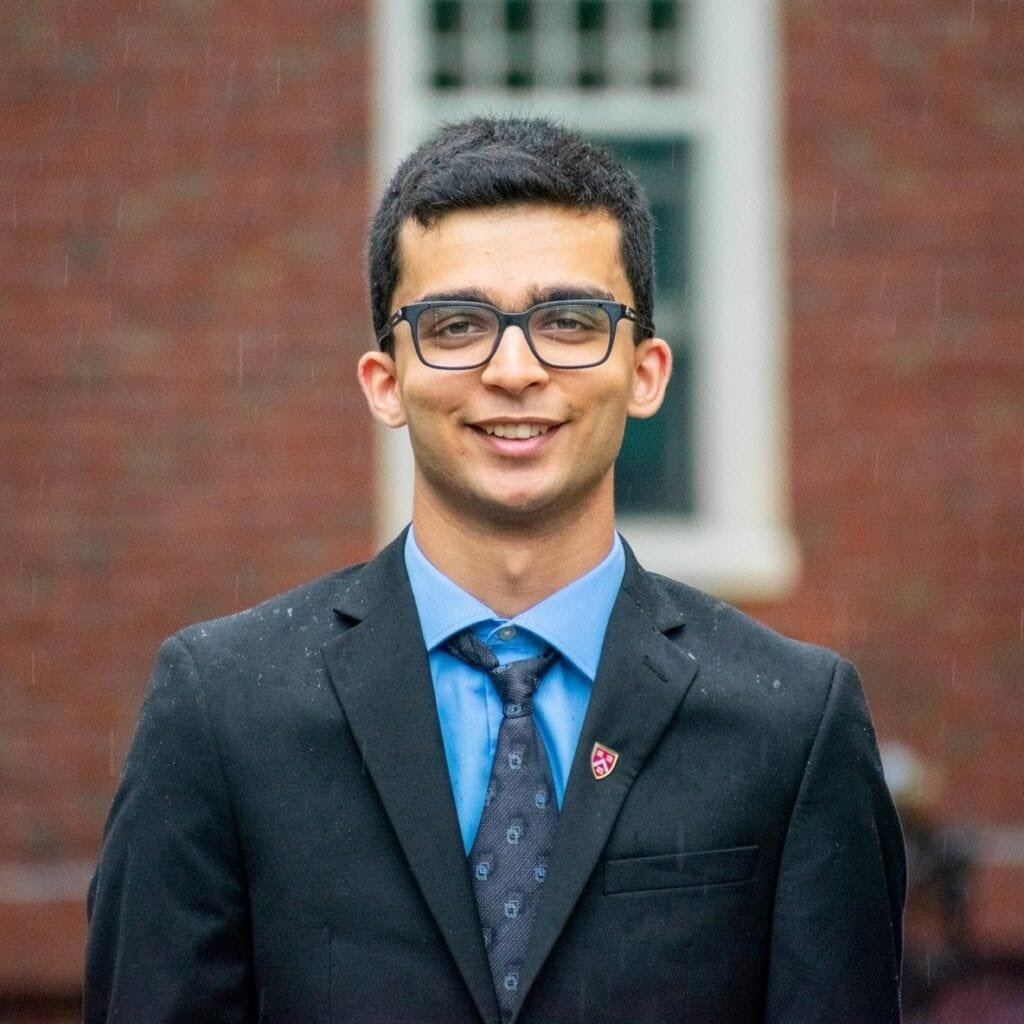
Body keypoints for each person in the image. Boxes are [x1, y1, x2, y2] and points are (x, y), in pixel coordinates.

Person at [85, 116, 905, 1024]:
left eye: (568, 320)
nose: (513, 369)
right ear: (385, 380)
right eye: (457, 323)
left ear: (645, 371)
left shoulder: (792, 722)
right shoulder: (223, 710)